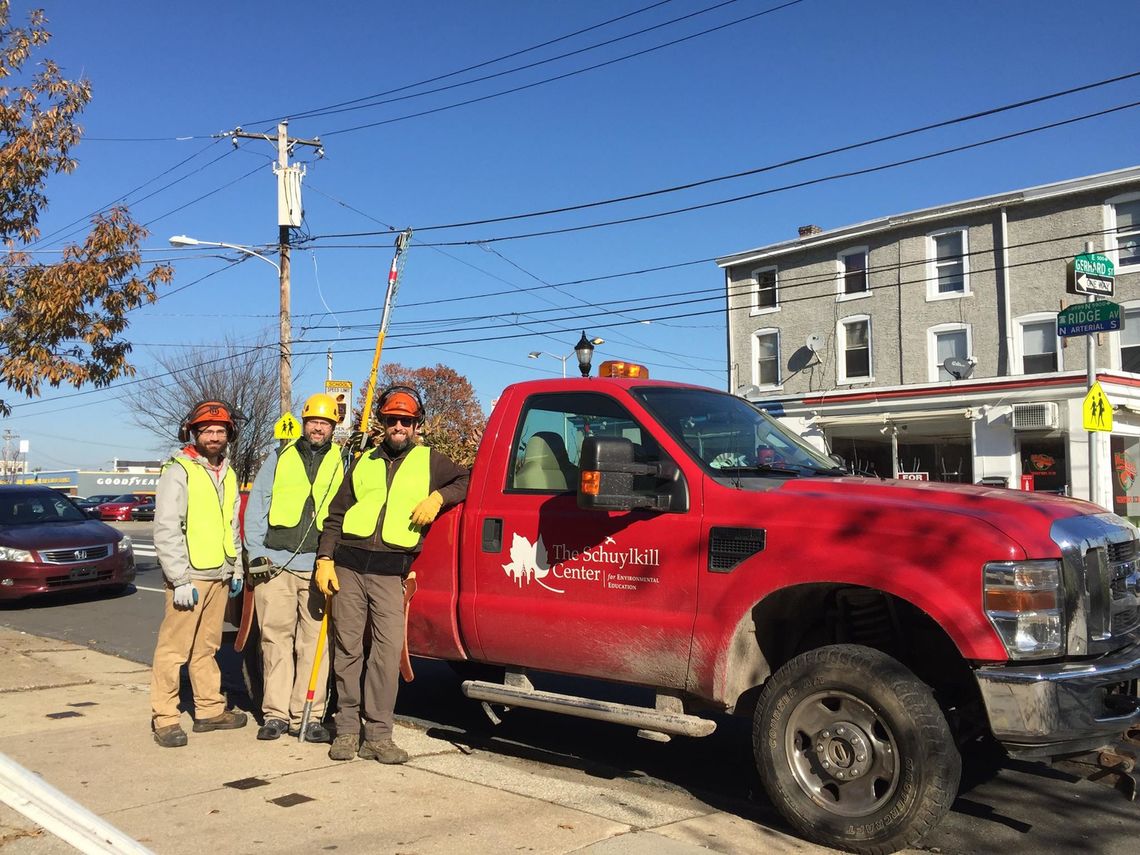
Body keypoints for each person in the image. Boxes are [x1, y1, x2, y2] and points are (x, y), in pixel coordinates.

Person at [316, 385, 469, 764]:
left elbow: (467, 480)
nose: (398, 426)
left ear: (416, 425)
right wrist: (324, 558)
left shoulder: (431, 461)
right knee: (348, 651)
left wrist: (438, 498)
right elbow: (336, 514)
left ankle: (379, 736)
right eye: (392, 420)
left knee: (385, 656)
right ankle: (348, 731)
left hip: (391, 574)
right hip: (348, 567)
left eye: (406, 420)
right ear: (383, 424)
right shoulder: (363, 461)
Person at [243, 393, 345, 742]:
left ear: (334, 427)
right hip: (276, 564)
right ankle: (275, 715)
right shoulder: (279, 456)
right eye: (313, 421)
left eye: (326, 422)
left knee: (315, 645)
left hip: (319, 566)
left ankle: (310, 716)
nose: (318, 427)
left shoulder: (346, 459)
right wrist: (256, 552)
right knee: (275, 641)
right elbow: (258, 503)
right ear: (304, 423)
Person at [150, 400, 247, 748]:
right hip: (189, 577)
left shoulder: (229, 473)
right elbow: (166, 528)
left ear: (228, 435)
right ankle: (165, 717)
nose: (215, 437)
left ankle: (208, 710)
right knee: (174, 650)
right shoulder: (179, 470)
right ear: (195, 433)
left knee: (207, 647)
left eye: (221, 431)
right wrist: (179, 579)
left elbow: (231, 525)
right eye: (208, 431)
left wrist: (234, 566)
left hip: (219, 575)